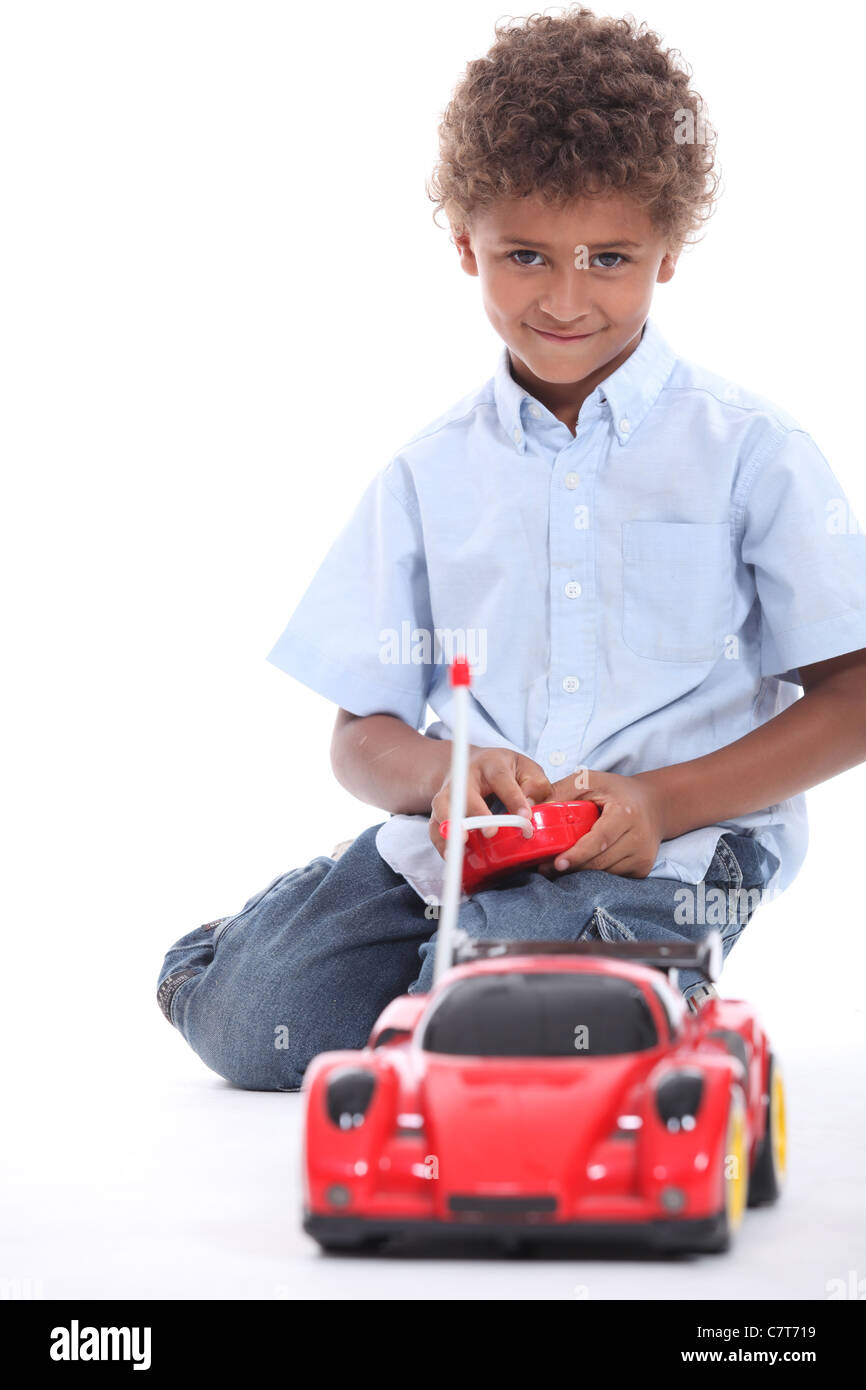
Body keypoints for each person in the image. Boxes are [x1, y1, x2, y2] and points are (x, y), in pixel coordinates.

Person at [156, 6, 866, 1090]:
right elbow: (360, 733)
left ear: (667, 251)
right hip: (469, 848)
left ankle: (485, 990)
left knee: (529, 1018)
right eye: (523, 254)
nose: (565, 297)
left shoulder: (751, 453)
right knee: (257, 1031)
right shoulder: (427, 472)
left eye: (609, 257)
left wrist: (661, 801)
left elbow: (852, 690)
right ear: (463, 245)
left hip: (676, 851)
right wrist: (443, 776)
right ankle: (330, 949)